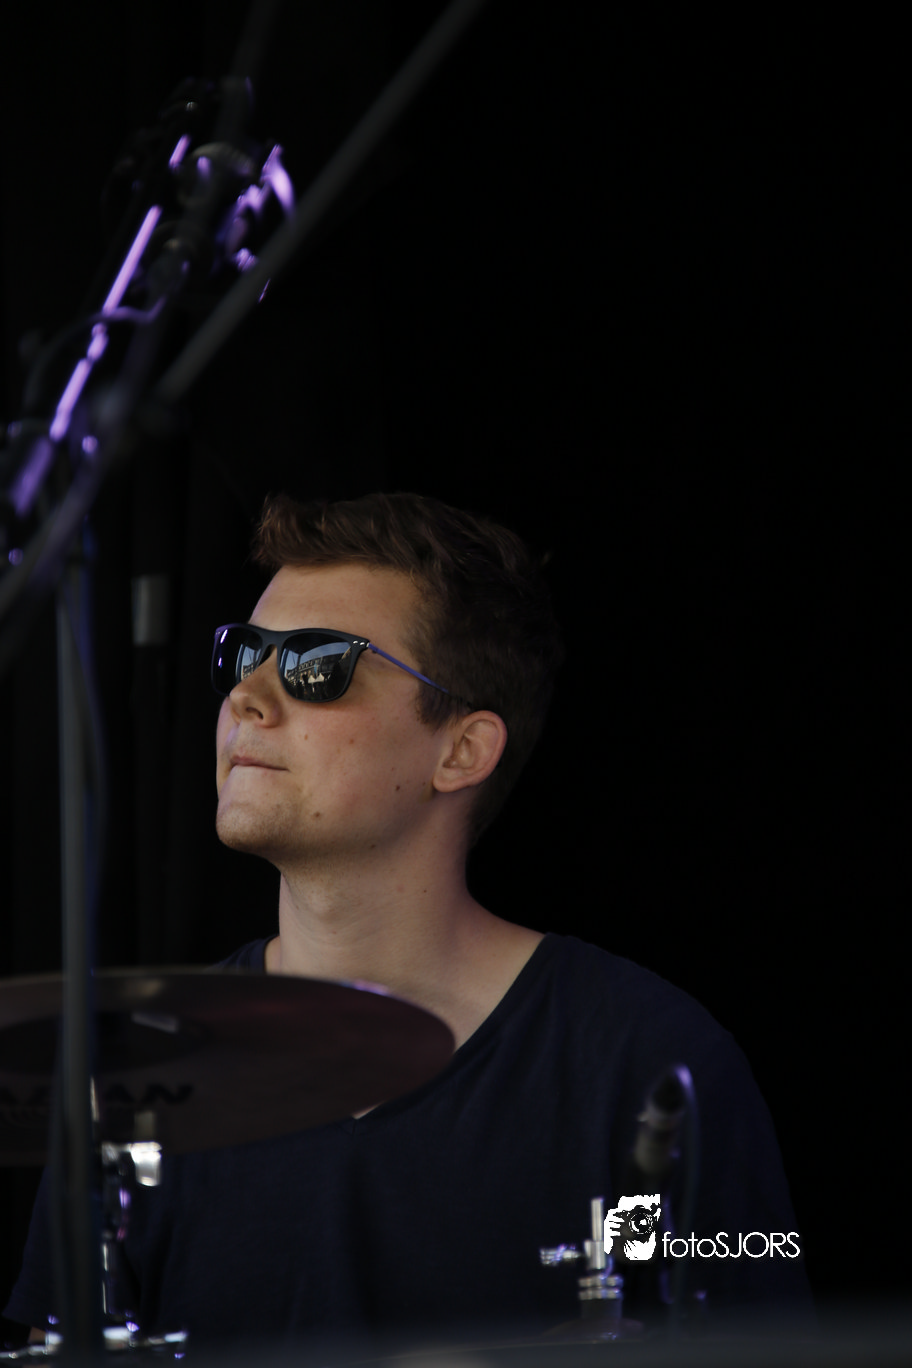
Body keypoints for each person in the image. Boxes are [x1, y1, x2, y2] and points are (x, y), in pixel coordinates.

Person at [4, 491, 812, 1352]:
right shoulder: (136, 1082)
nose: (247, 697)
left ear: (462, 750)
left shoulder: (652, 1070)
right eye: (243, 655)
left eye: (318, 665)